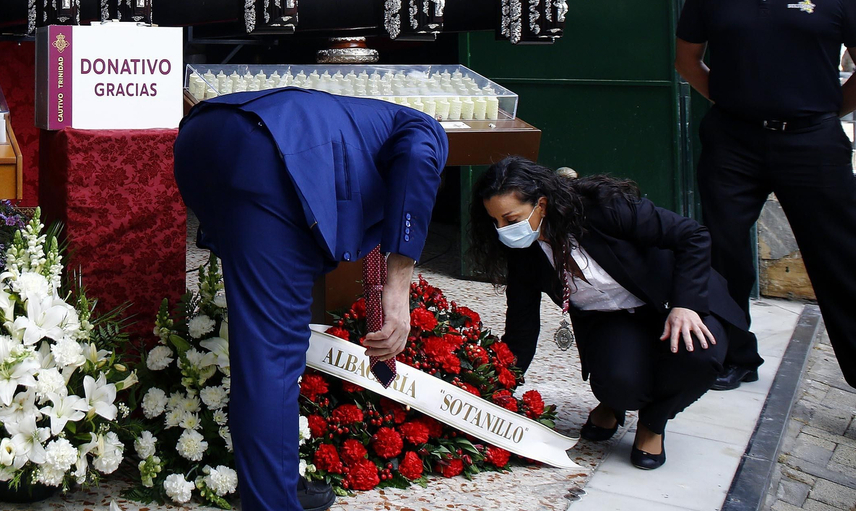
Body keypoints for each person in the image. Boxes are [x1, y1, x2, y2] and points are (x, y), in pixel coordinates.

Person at [175, 87, 447, 511]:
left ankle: (280, 482)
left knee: (263, 349)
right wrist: (398, 292)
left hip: (201, 136)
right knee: (273, 355)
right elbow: (416, 163)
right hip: (270, 158)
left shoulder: (364, 120)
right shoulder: (427, 129)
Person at [675, 0, 856, 390]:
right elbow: (687, 61)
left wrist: (825, 111)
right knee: (724, 254)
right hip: (734, 143)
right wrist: (734, 103)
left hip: (813, 144)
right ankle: (734, 359)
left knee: (840, 258)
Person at [472, 158, 743, 470]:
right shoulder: (524, 252)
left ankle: (653, 423)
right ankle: (614, 404)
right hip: (609, 318)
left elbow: (692, 235)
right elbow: (522, 322)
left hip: (669, 298)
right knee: (617, 382)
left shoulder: (603, 208)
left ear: (541, 204)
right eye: (496, 222)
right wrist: (498, 386)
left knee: (700, 355)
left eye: (510, 219)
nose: (503, 230)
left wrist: (687, 304)